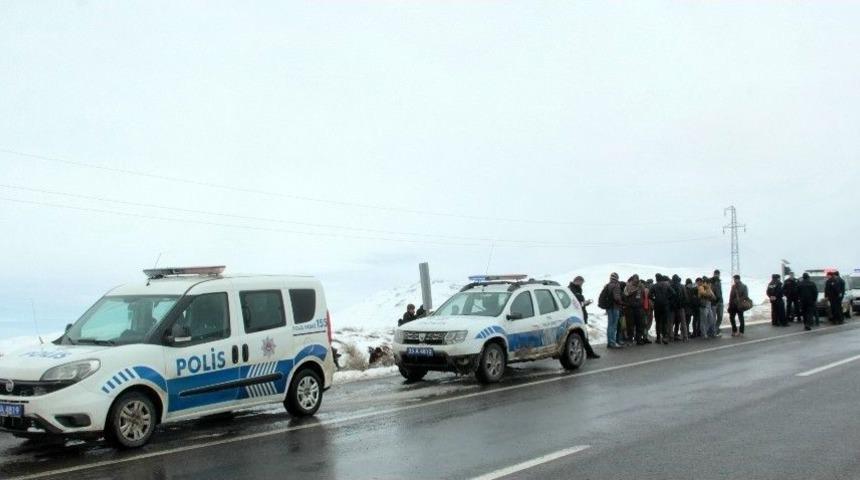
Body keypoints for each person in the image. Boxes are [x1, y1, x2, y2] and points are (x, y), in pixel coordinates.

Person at [569, 276, 600, 359]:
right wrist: (584, 303)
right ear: (578, 281)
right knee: (582, 335)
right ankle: (589, 352)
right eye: (581, 283)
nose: (582, 285)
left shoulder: (575, 290)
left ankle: (588, 352)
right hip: (577, 315)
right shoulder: (572, 290)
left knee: (583, 335)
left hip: (580, 314)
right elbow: (576, 304)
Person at [600, 273, 625, 349]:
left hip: (608, 307)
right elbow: (616, 298)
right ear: (617, 278)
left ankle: (609, 342)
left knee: (610, 325)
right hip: (615, 307)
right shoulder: (616, 285)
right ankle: (613, 342)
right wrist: (622, 303)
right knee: (614, 325)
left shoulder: (607, 285)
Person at [623, 274, 648, 345]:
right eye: (635, 278)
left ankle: (638, 339)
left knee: (640, 324)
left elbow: (645, 297)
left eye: (637, 278)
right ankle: (630, 339)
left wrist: (643, 305)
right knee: (630, 325)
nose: (636, 280)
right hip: (630, 308)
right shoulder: (627, 287)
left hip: (639, 308)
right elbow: (625, 296)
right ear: (632, 279)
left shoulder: (641, 287)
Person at [650, 274, 673, 345]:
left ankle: (658, 338)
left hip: (657, 305)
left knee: (658, 322)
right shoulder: (667, 285)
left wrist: (654, 299)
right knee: (665, 322)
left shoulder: (654, 286)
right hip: (665, 305)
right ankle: (665, 337)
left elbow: (649, 295)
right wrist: (668, 299)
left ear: (656, 279)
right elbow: (673, 293)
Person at [671, 274, 688, 342]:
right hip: (680, 307)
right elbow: (686, 297)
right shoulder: (682, 286)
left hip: (672, 307)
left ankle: (671, 337)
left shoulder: (671, 286)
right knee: (683, 322)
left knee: (671, 322)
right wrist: (684, 305)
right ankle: (685, 337)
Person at [711, 270, 724, 337]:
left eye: (717, 274)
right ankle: (714, 331)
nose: (717, 275)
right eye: (715, 274)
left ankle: (716, 329)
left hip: (720, 301)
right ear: (714, 274)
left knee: (720, 317)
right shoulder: (711, 281)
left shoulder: (719, 281)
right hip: (714, 303)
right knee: (713, 318)